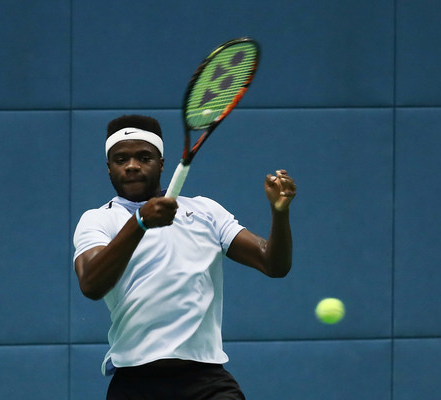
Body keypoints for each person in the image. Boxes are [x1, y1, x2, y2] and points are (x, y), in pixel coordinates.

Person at [73, 114, 296, 399]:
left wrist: (280, 212)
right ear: (108, 168)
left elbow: (273, 264)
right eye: (120, 160)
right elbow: (91, 285)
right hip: (135, 381)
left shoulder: (206, 212)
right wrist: (139, 222)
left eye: (143, 157)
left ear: (161, 164)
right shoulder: (97, 220)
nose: (131, 166)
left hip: (206, 380)